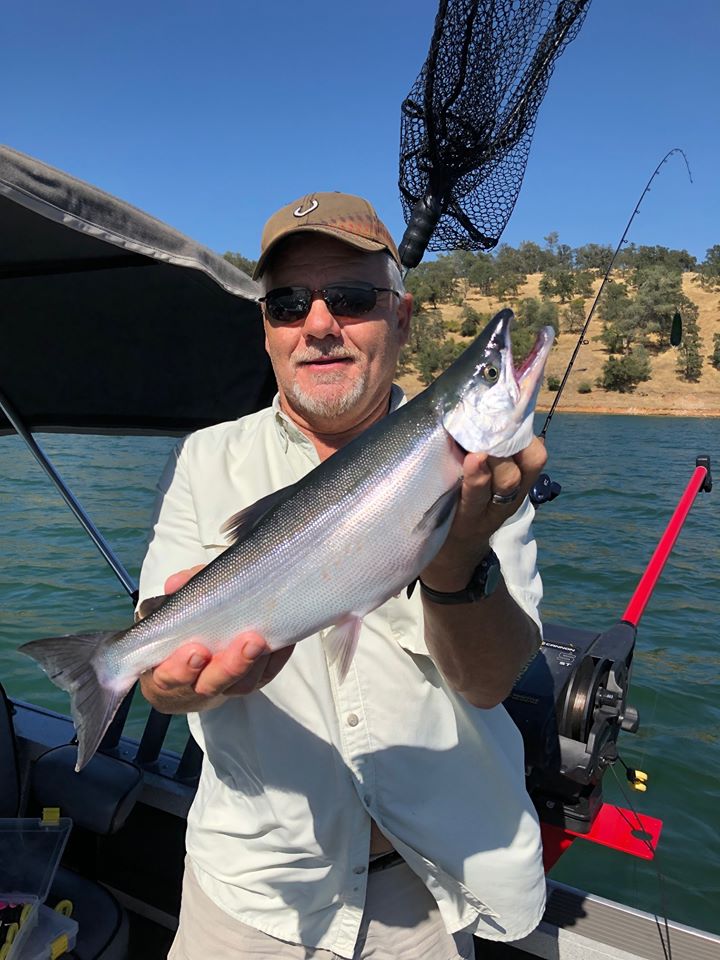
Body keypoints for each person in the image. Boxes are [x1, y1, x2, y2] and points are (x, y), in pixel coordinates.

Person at [136, 192, 548, 960]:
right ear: (266, 332)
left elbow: (491, 682)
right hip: (251, 897)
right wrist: (180, 678)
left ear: (402, 317)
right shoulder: (206, 459)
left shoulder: (486, 482)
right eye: (288, 303)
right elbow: (158, 681)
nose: (319, 324)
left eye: (352, 298)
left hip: (429, 897)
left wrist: (458, 559)